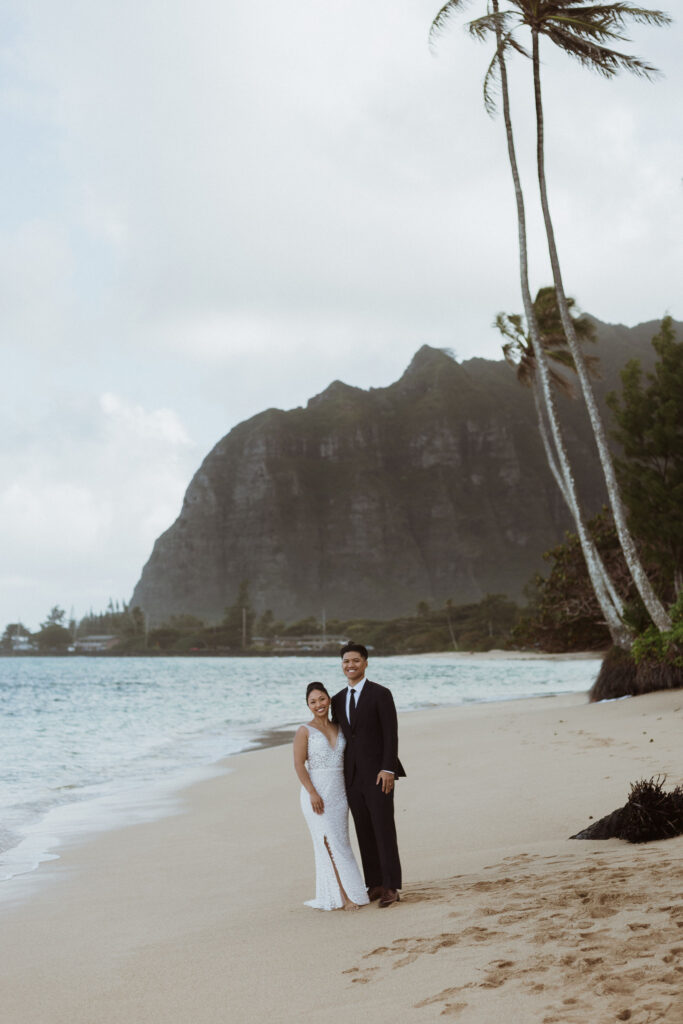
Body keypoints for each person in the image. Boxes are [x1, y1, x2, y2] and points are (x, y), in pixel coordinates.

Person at [331, 642, 405, 909]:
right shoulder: (337, 699)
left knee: (383, 828)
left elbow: (390, 734)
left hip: (378, 774)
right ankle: (374, 883)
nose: (350, 665)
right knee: (363, 828)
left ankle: (391, 886)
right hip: (351, 777)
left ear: (365, 663)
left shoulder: (380, 694)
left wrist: (388, 768)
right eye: (345, 661)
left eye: (355, 661)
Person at [293, 682, 370, 911]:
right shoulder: (304, 731)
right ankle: (344, 897)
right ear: (308, 705)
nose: (319, 705)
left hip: (339, 793)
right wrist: (312, 793)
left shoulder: (340, 727)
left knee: (341, 843)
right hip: (316, 793)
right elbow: (298, 765)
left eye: (322, 699)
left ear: (329, 700)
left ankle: (355, 890)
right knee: (327, 843)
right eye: (313, 701)